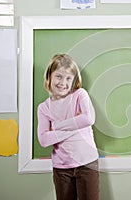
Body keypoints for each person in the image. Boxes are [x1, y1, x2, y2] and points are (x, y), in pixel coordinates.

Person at [37, 54, 99, 200]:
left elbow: (89, 118)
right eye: (58, 76)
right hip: (61, 168)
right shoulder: (44, 108)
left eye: (68, 78)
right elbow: (44, 140)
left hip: (87, 164)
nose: (63, 82)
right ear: (49, 77)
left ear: (73, 80)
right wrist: (76, 125)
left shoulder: (79, 95)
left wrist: (57, 127)